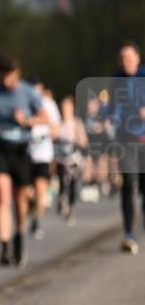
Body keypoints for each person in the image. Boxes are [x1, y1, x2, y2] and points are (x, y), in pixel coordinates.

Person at [0, 55, 46, 268]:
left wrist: (26, 121)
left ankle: (18, 235)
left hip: (21, 149)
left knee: (21, 197)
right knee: (2, 193)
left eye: (10, 76)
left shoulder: (29, 92)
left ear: (17, 73)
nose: (6, 81)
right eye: (2, 76)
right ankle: (4, 245)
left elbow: (46, 119)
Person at [107, 40, 145, 255]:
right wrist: (109, 119)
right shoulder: (116, 80)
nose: (125, 62)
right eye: (122, 59)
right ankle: (129, 233)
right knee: (128, 182)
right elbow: (113, 107)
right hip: (126, 138)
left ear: (138, 59)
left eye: (129, 58)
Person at [26, 79, 60, 241]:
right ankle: (32, 206)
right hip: (25, 154)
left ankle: (37, 221)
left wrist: (48, 134)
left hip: (43, 155)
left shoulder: (48, 104)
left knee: (40, 189)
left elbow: (56, 127)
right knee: (26, 191)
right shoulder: (23, 101)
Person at [54, 95, 88, 226]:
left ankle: (71, 209)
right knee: (62, 180)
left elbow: (84, 142)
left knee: (73, 184)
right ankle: (62, 200)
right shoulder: (58, 122)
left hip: (74, 157)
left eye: (67, 107)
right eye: (63, 107)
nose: (65, 109)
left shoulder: (76, 122)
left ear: (72, 107)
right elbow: (52, 136)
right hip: (60, 158)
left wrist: (75, 139)